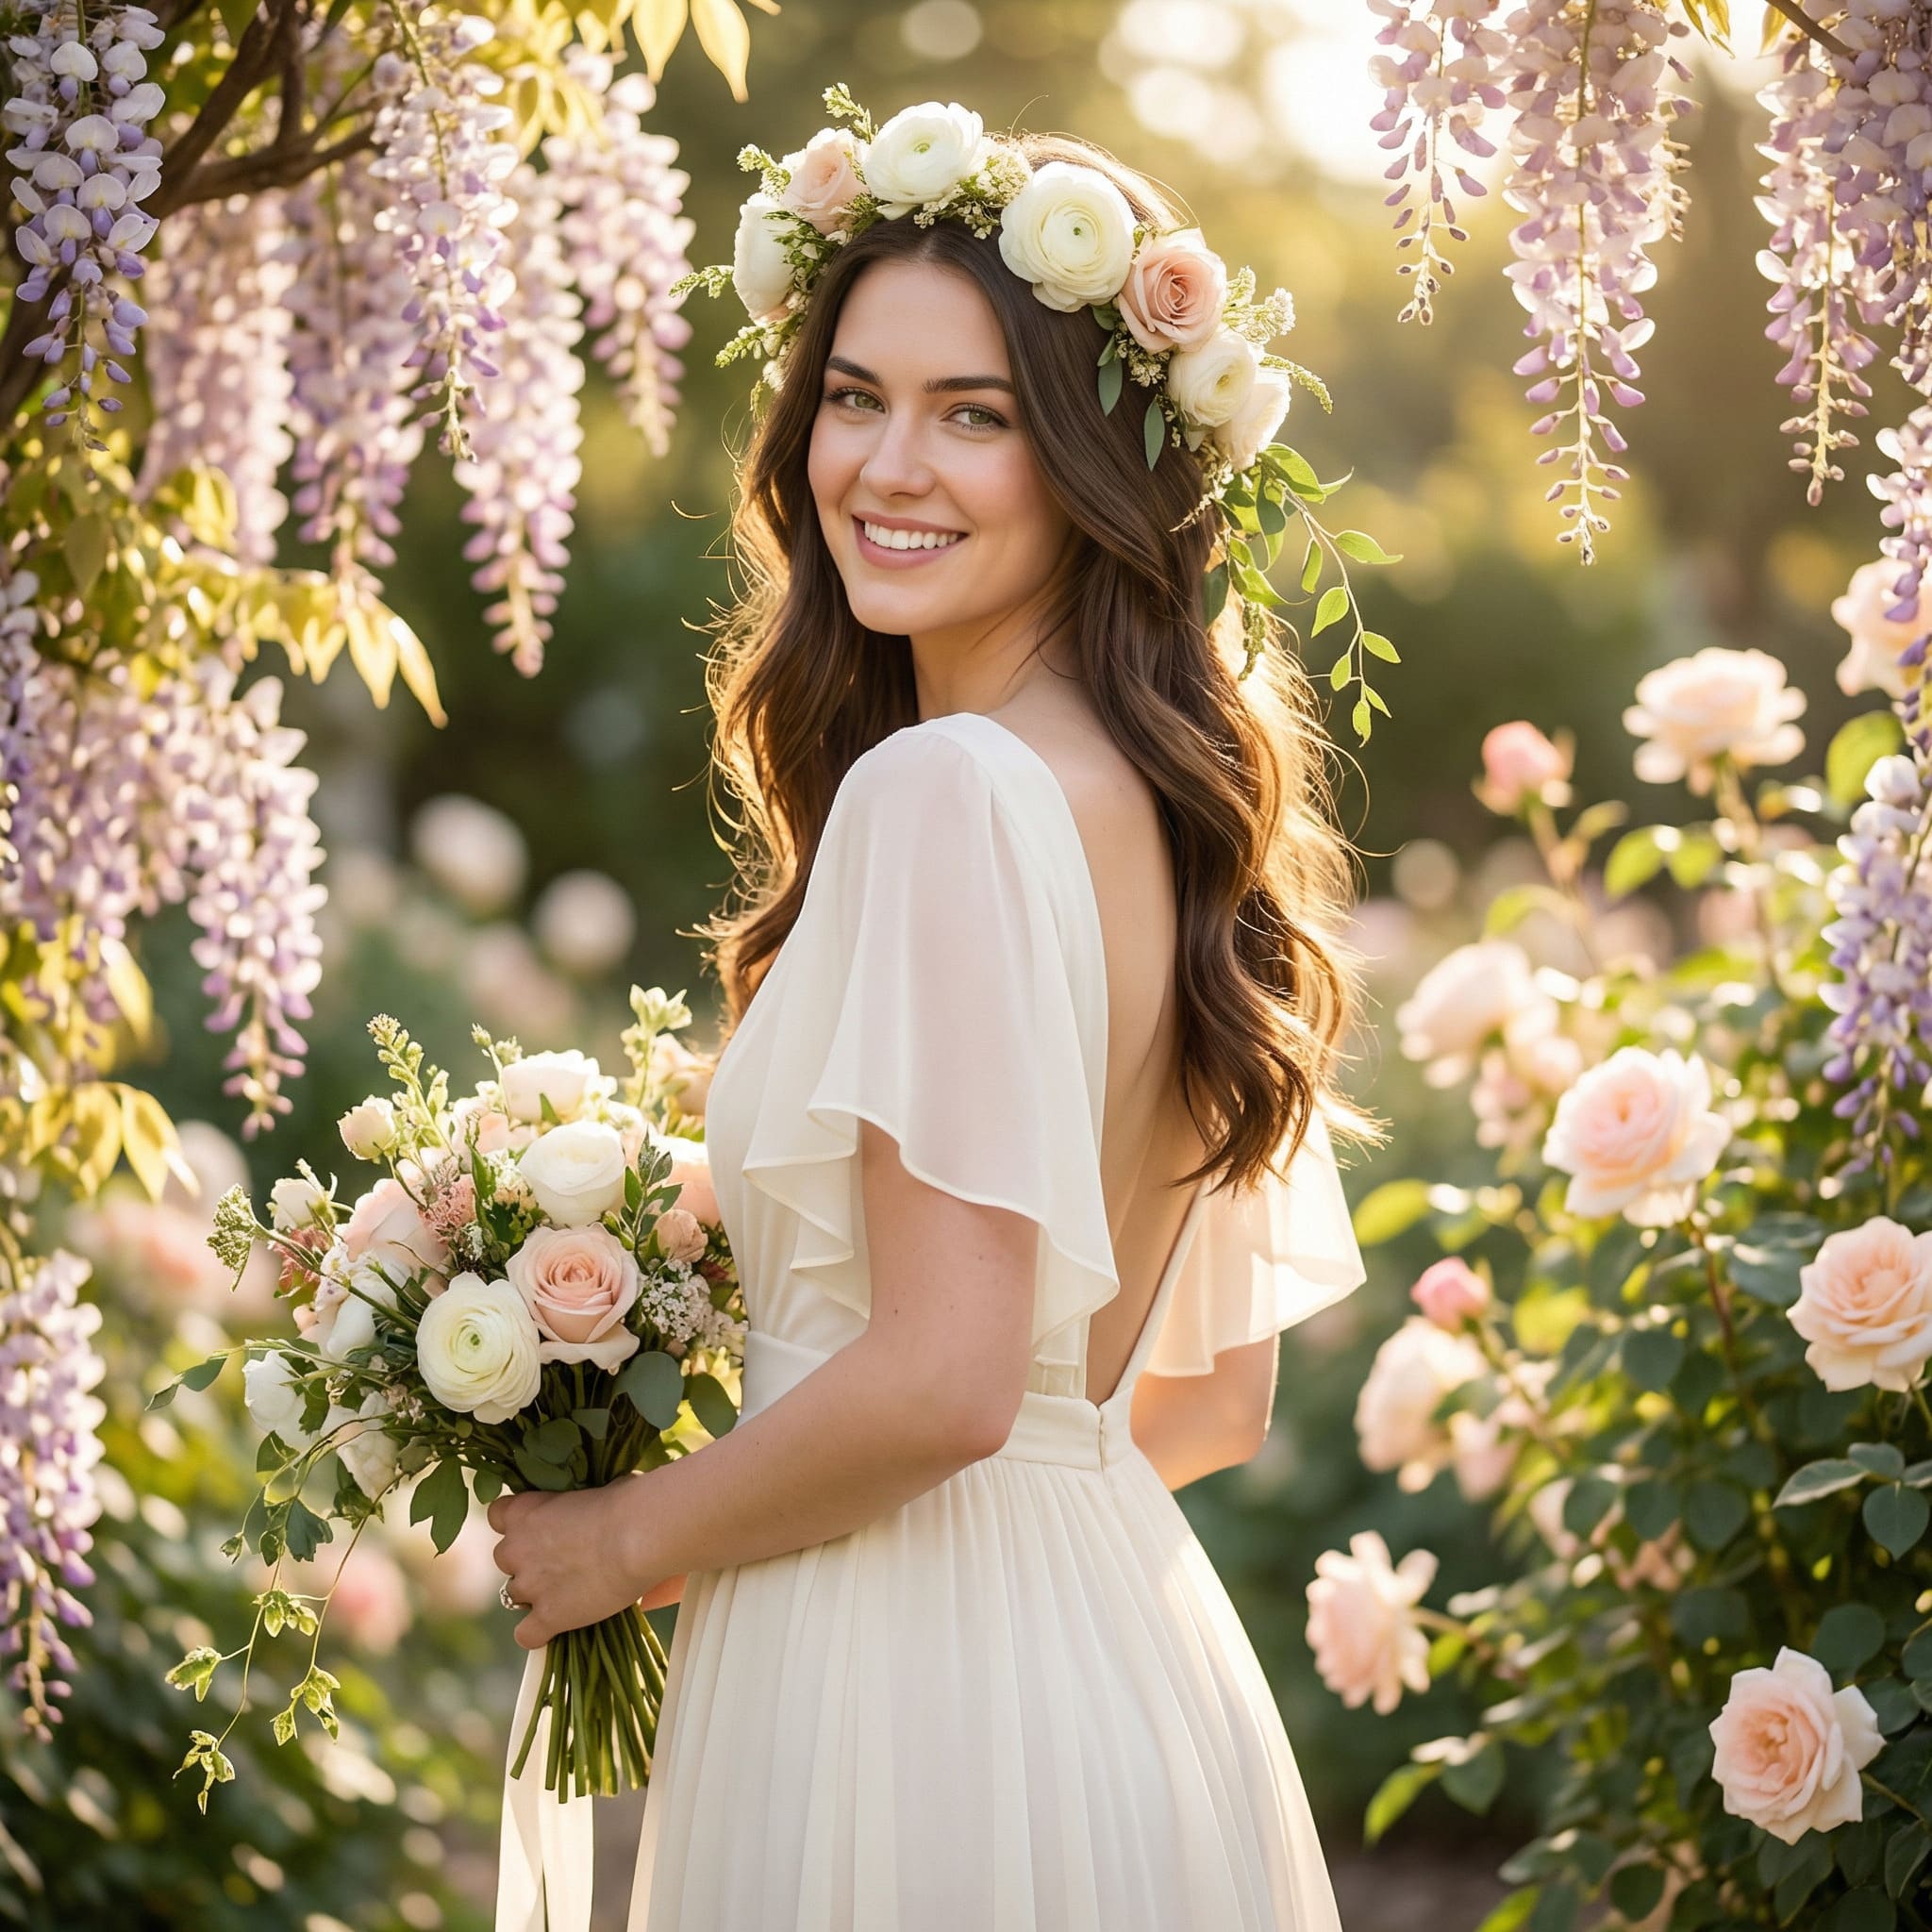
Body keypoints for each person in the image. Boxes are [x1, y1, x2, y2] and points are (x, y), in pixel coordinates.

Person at [489, 87, 1374, 1932]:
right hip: (1118, 1660)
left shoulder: (946, 790)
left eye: (975, 416)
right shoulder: (1165, 807)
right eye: (855, 395)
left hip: (893, 1698)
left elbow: (953, 1378)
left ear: (1094, 462)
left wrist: (620, 1544)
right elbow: (1206, 1394)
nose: (887, 466)